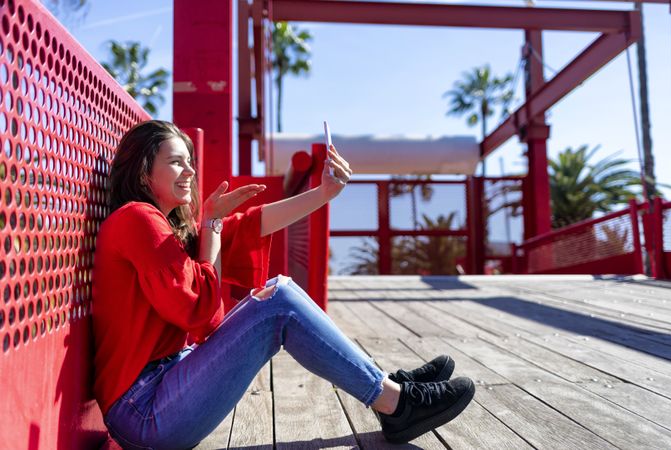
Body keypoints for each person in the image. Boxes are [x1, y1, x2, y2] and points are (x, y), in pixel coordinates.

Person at [92, 120, 475, 449]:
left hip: (158, 391)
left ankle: (387, 386)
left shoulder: (161, 227)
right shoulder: (138, 219)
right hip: (143, 412)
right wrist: (211, 226)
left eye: (189, 161)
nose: (190, 172)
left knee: (276, 294)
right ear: (144, 173)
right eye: (176, 162)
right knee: (279, 302)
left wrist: (323, 194)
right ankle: (397, 405)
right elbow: (197, 310)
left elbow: (250, 225)